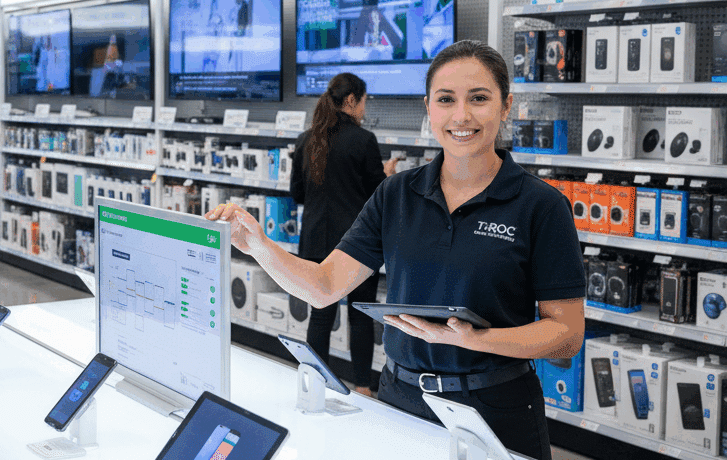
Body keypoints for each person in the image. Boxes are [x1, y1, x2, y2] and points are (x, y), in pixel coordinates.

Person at [207, 40, 585, 460]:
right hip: (400, 401)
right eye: (446, 99)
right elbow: (325, 286)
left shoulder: (541, 205)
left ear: (506, 105)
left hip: (495, 410)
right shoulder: (396, 194)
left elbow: (567, 335)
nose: (461, 116)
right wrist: (258, 246)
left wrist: (478, 339)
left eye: (479, 98)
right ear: (429, 108)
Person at [289, 72, 398, 397]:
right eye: (363, 101)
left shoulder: (306, 139)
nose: (364, 108)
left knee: (320, 316)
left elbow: (297, 193)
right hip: (355, 245)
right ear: (351, 100)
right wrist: (386, 176)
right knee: (360, 316)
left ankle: (315, 384)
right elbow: (378, 195)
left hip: (314, 242)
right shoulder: (363, 140)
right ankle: (363, 387)